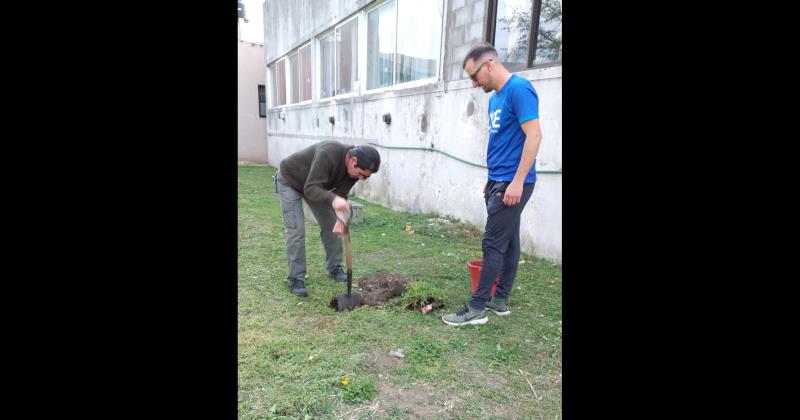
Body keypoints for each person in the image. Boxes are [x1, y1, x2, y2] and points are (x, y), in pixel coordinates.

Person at [443, 42, 543, 326]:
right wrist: (491, 179)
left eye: (474, 76)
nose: (474, 83)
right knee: (509, 243)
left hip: (513, 182)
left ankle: (476, 309)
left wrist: (517, 182)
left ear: (489, 64)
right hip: (499, 180)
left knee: (492, 244)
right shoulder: (496, 98)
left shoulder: (519, 90)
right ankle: (499, 301)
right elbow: (502, 143)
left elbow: (534, 136)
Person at [274, 141, 380, 297]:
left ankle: (334, 267)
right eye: (361, 174)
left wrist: (339, 219)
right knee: (296, 230)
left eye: (365, 177)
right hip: (290, 180)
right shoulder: (328, 152)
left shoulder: (354, 172)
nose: (361, 178)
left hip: (314, 186)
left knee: (332, 225)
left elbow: (341, 194)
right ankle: (296, 278)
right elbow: (310, 188)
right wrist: (333, 199)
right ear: (354, 160)